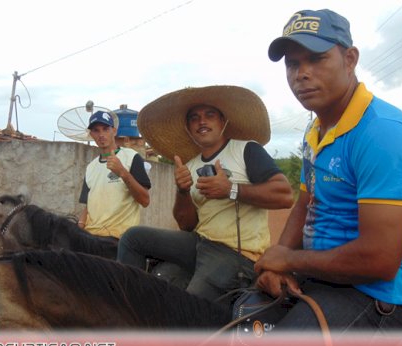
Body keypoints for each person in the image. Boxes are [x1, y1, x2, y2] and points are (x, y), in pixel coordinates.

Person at [254, 9, 402, 332]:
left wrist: (288, 259)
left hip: (373, 295)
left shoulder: (383, 134)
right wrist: (277, 264)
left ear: (349, 59)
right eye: (293, 64)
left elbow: (379, 260)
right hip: (322, 277)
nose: (301, 74)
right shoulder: (317, 132)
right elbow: (305, 204)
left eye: (316, 59)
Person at [117, 85, 294, 301]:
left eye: (210, 115)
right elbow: (187, 225)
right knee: (132, 239)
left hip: (235, 253)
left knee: (187, 309)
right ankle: (127, 306)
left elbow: (284, 195)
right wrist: (182, 191)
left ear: (223, 122)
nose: (202, 121)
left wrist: (231, 189)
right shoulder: (189, 166)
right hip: (198, 243)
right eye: (194, 118)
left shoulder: (246, 149)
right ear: (189, 129)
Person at [78, 110, 151, 253]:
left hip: (119, 241)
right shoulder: (91, 167)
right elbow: (88, 205)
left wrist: (123, 173)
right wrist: (79, 229)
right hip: (91, 239)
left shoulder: (131, 157)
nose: (101, 134)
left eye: (105, 129)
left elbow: (145, 200)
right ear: (91, 134)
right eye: (96, 130)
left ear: (114, 131)